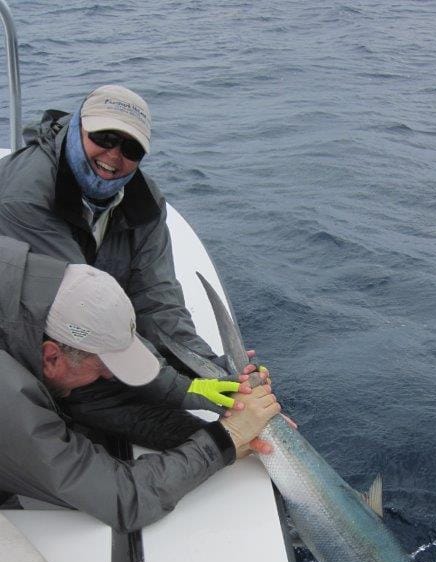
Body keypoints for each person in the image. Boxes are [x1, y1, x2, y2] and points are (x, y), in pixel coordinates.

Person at [0, 83, 262, 446]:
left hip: (91, 330)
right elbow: (83, 315)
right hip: (30, 336)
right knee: (198, 436)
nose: (114, 155)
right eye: (104, 137)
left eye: (131, 148)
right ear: (78, 126)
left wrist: (214, 370)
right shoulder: (24, 196)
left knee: (204, 417)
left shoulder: (144, 201)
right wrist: (186, 389)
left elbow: (158, 299)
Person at [0, 236, 280, 531]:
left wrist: (199, 379)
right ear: (52, 357)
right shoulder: (8, 395)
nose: (109, 378)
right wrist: (225, 439)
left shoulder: (31, 280)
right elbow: (122, 497)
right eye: (104, 368)